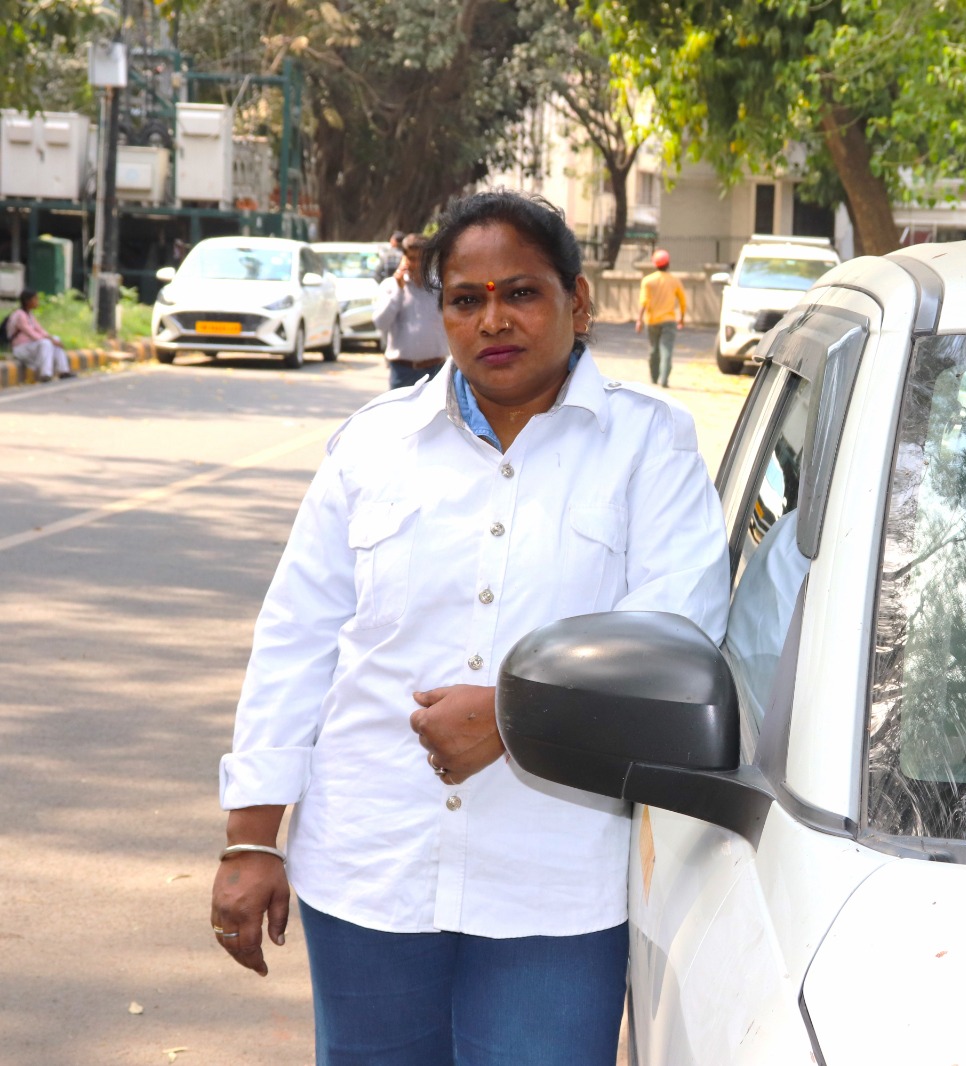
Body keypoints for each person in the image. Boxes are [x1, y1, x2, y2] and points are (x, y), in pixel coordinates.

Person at [210, 189, 729, 1066]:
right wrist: (252, 837)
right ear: (440, 311)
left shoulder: (650, 446)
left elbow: (676, 642)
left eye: (521, 293)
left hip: (556, 885)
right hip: (371, 871)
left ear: (577, 301)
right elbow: (297, 639)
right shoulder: (372, 446)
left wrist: (513, 716)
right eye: (464, 299)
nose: (493, 320)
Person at [371, 233, 450, 390]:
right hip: (402, 371)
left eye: (422, 259)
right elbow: (380, 323)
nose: (418, 264)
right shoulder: (391, 286)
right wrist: (398, 291)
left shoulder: (439, 287)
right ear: (404, 258)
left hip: (435, 370)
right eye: (413, 258)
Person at [634, 248, 686, 387]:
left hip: (652, 321)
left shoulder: (648, 281)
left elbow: (643, 301)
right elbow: (683, 302)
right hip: (669, 321)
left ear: (655, 264)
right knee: (666, 349)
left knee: (654, 349)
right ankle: (664, 379)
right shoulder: (674, 280)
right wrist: (682, 318)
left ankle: (654, 377)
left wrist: (639, 320)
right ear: (668, 263)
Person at [4, 290, 75, 381]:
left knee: (56, 339)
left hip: (30, 347)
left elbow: (40, 330)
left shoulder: (29, 314)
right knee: (46, 343)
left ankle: (63, 371)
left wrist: (52, 339)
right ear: (27, 301)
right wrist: (50, 341)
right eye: (35, 299)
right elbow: (31, 334)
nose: (37, 301)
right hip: (20, 349)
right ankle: (46, 374)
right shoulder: (19, 315)